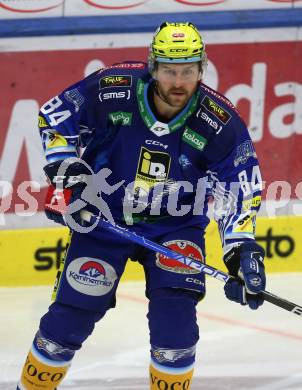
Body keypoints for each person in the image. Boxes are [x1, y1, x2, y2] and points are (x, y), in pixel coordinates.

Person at [17, 22, 266, 390]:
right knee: (63, 327)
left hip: (175, 227)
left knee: (175, 338)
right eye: (169, 70)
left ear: (202, 68)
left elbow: (240, 187)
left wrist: (241, 248)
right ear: (153, 66)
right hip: (102, 218)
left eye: (188, 70)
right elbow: (54, 117)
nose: (178, 81)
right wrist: (67, 168)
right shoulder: (112, 88)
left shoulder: (220, 122)